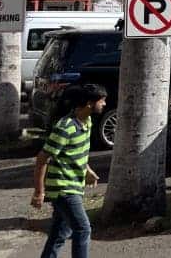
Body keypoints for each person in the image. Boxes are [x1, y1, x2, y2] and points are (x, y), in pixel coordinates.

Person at [33, 84, 107, 258]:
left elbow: (76, 153)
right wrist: (39, 192)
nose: (104, 104)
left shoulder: (86, 122)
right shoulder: (65, 127)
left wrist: (87, 170)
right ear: (89, 103)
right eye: (102, 100)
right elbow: (42, 158)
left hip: (74, 185)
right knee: (82, 229)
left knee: (59, 233)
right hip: (62, 188)